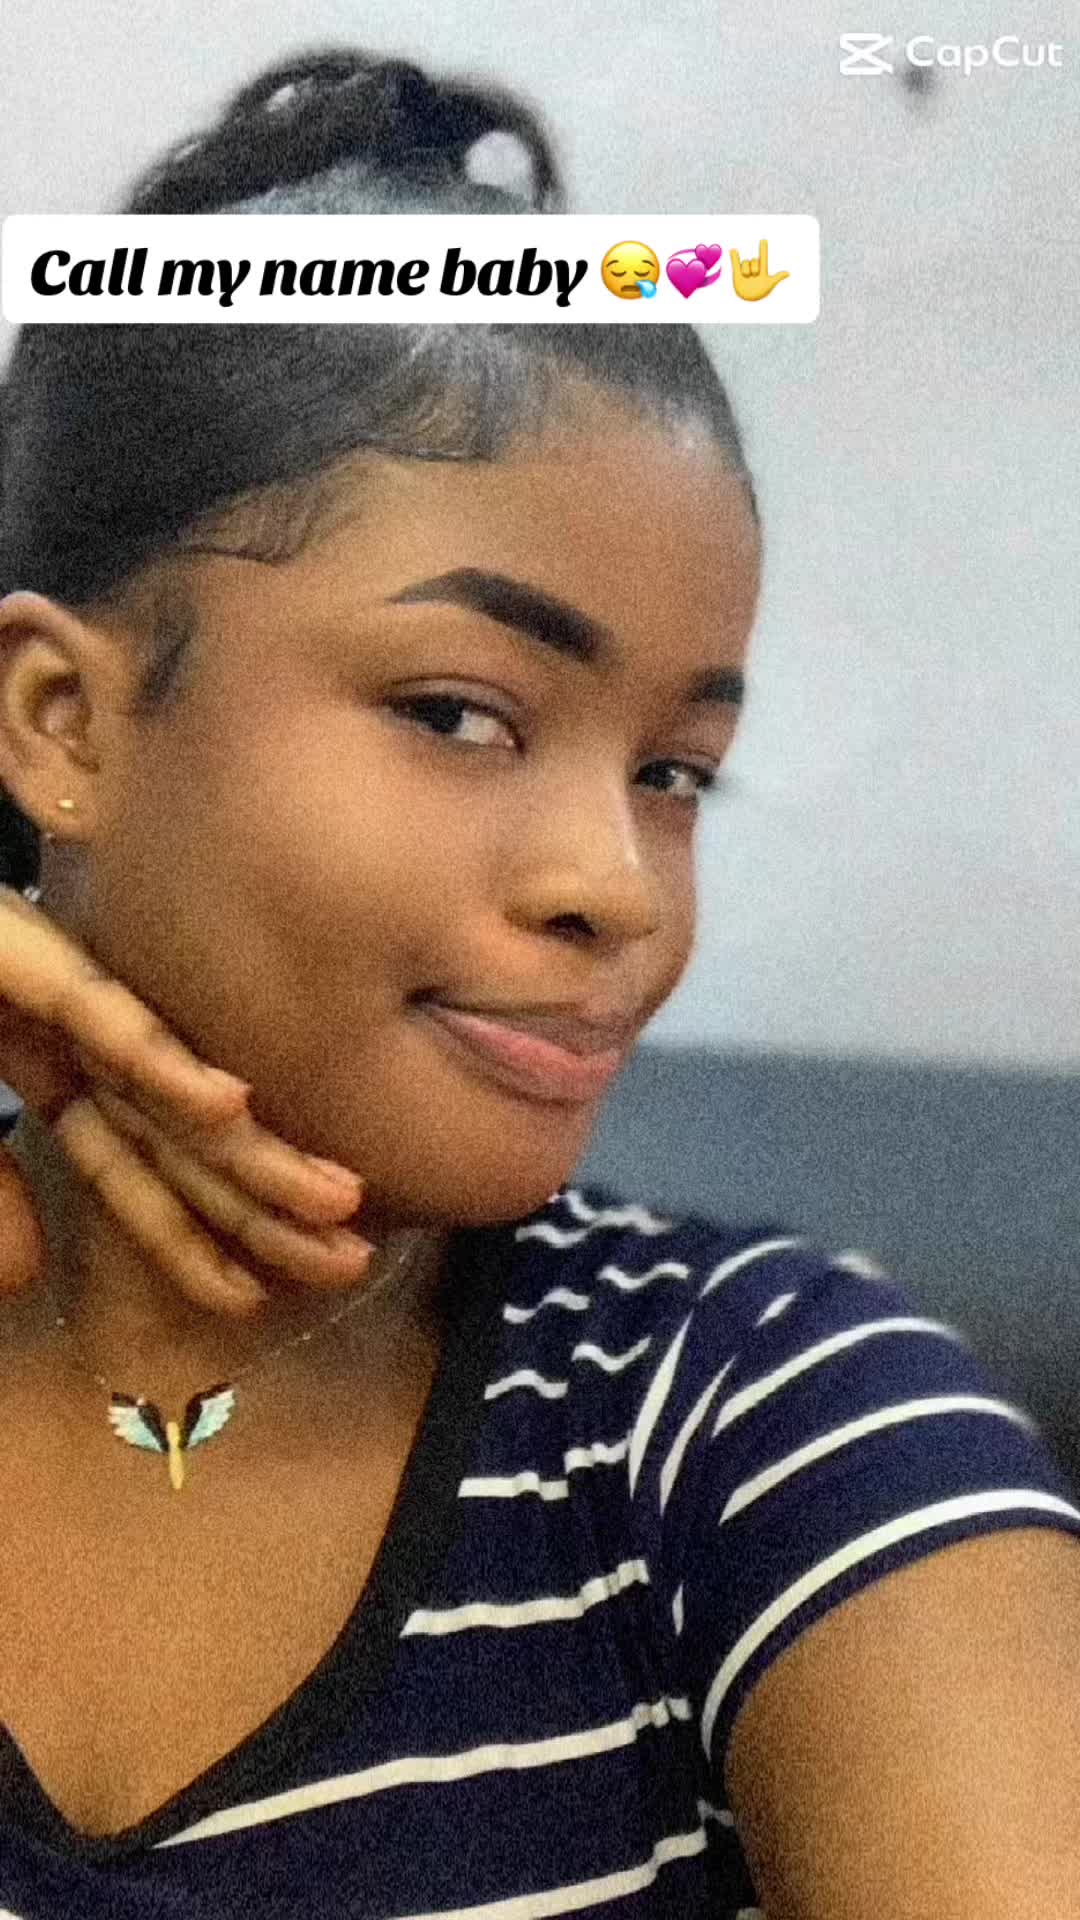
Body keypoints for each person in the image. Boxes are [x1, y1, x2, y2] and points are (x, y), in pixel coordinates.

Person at [0, 42, 1078, 1920]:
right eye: (460, 714)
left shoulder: (759, 1417)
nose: (618, 890)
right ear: (63, 722)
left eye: (674, 770)